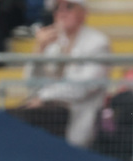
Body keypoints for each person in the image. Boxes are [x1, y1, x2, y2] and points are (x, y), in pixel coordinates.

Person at [9, 0, 109, 148]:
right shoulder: (52, 43)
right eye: (57, 7)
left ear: (83, 12)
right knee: (5, 118)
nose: (62, 12)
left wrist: (43, 98)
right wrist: (39, 49)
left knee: (19, 120)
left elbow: (82, 88)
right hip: (48, 114)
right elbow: (31, 83)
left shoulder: (97, 43)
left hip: (75, 114)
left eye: (69, 6)